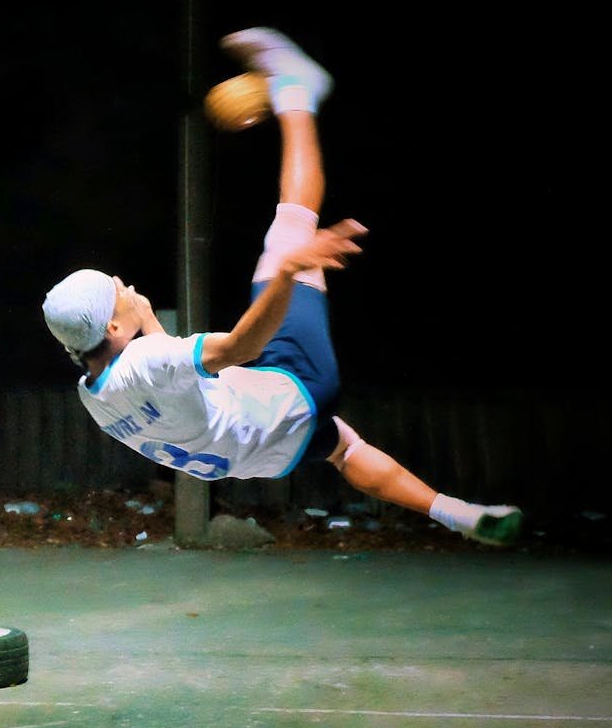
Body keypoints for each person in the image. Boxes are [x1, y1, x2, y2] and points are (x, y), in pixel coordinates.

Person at [41, 27, 522, 546]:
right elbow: (239, 347)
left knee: (344, 449)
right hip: (295, 390)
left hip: (263, 454)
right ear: (113, 324)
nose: (124, 285)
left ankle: (458, 515)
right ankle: (298, 88)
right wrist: (290, 271)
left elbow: (164, 376)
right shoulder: (145, 364)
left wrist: (148, 316)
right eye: (116, 290)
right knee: (290, 229)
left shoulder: (94, 392)